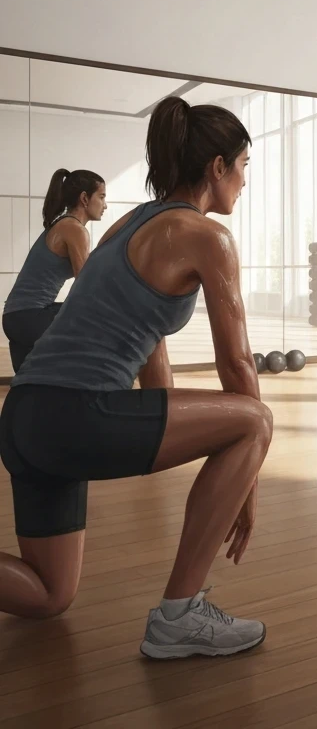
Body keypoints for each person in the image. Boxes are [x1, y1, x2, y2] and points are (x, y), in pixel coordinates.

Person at [0, 97, 273, 659]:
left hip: (26, 415)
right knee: (255, 420)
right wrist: (248, 470)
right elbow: (238, 366)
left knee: (50, 593)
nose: (245, 182)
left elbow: (149, 347)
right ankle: (179, 617)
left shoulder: (126, 224)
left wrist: (174, 430)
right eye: (244, 166)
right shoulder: (207, 237)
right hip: (74, 414)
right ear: (217, 167)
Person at [2, 169, 106, 373]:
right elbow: (86, 286)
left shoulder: (61, 224)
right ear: (84, 198)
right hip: (30, 317)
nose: (105, 205)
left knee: (30, 387)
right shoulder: (74, 229)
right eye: (101, 197)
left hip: (16, 318)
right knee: (101, 324)